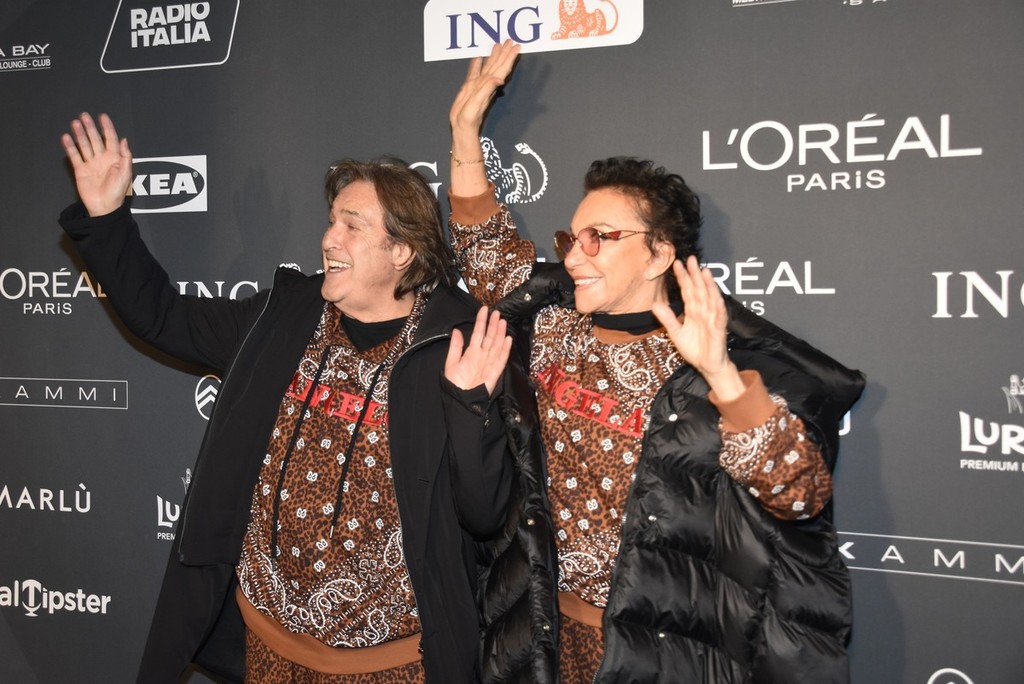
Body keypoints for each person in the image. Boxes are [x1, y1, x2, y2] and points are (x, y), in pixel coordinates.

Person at [58, 112, 549, 683]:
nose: (329, 238)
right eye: (331, 221)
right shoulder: (284, 316)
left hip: (389, 669)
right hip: (267, 650)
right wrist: (107, 217)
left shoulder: (454, 344)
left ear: (402, 251)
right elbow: (163, 316)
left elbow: (485, 514)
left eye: (352, 225)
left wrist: (469, 406)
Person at [447, 41, 866, 683]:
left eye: (600, 238)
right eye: (571, 237)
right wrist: (463, 131)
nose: (575, 255)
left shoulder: (716, 360)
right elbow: (488, 253)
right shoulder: (554, 326)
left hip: (659, 649)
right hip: (545, 634)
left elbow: (799, 493)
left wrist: (721, 376)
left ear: (660, 253)